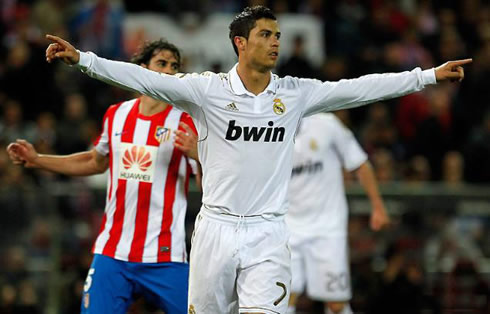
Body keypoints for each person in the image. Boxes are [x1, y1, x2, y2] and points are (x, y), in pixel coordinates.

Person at [44, 6, 471, 314]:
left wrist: (427, 76)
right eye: (266, 35)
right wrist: (83, 60)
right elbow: (140, 76)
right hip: (215, 229)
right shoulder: (205, 90)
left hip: (268, 231)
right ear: (240, 43)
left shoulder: (294, 92)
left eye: (278, 36)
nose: (275, 43)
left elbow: (359, 88)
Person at [7, 39, 199, 314]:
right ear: (142, 69)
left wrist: (199, 154)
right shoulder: (116, 115)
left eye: (174, 66)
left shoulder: (186, 120)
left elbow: (206, 183)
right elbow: (95, 162)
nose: (169, 71)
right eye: (162, 63)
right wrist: (37, 160)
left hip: (165, 256)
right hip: (113, 252)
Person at [286, 113, 390, 314]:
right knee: (283, 297)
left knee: (336, 303)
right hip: (287, 228)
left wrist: (377, 206)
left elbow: (359, 163)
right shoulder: (268, 131)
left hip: (328, 228)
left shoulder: (327, 125)